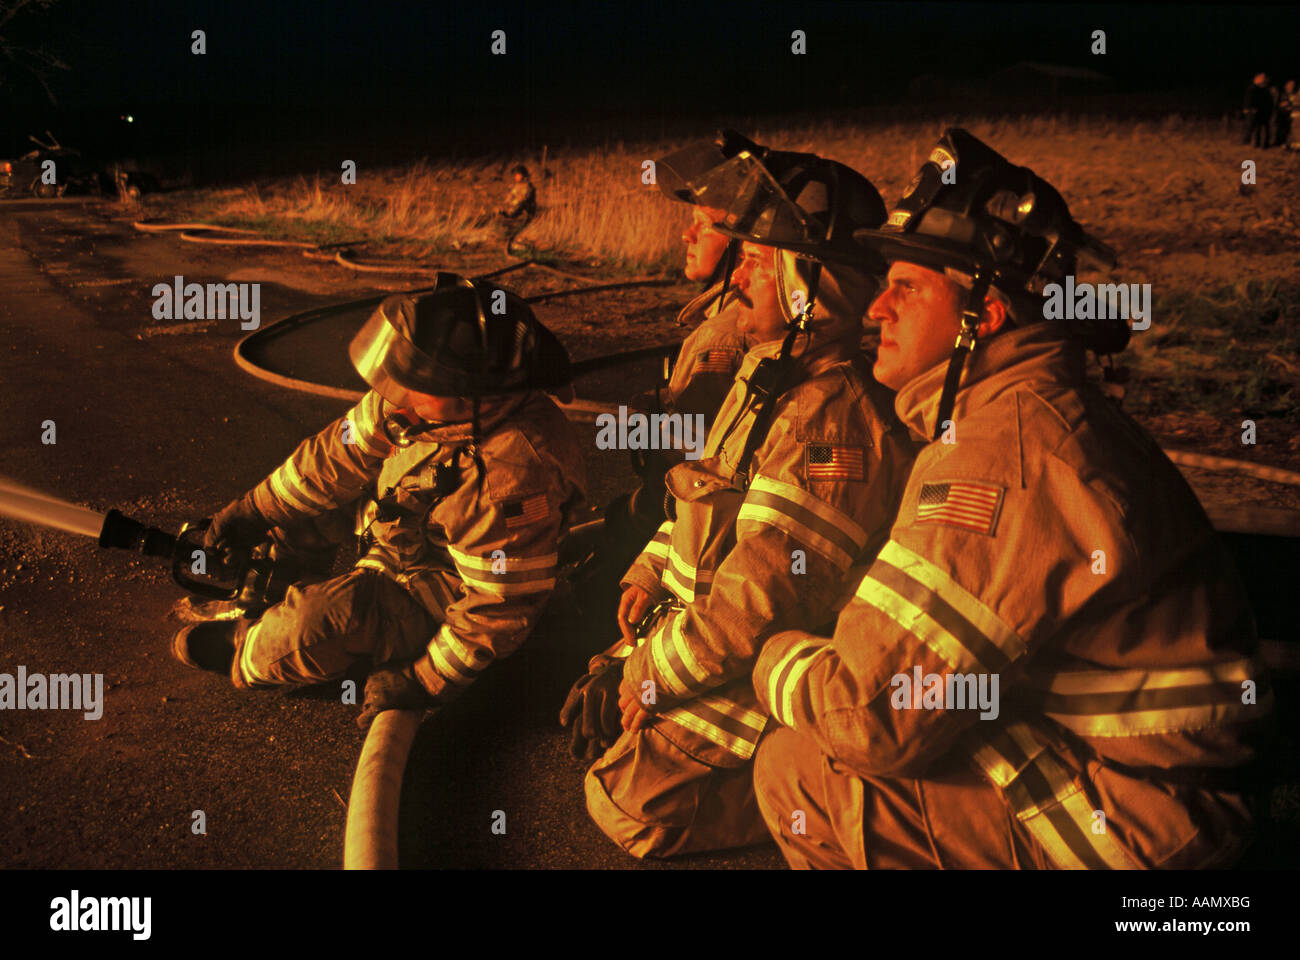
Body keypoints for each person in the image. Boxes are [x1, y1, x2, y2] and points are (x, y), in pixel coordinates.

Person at [749, 128, 1273, 869]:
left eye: (907, 287)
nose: (876, 310)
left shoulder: (1004, 449)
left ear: (983, 317)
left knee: (802, 765)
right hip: (1162, 782)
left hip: (1142, 820)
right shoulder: (1030, 409)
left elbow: (870, 717)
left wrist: (769, 658)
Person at [561, 148, 918, 858]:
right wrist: (647, 570)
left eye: (759, 259)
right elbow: (702, 492)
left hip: (773, 659)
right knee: (602, 716)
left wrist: (647, 672)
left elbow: (760, 599)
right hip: (722, 633)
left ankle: (806, 788)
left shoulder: (830, 422)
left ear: (811, 289)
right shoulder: (770, 377)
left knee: (629, 806)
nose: (739, 275)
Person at [171, 274, 587, 728]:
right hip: (403, 528)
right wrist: (255, 511)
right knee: (308, 503)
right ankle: (276, 587)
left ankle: (247, 646)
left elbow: (497, 608)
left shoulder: (514, 478)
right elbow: (337, 456)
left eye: (416, 381)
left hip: (441, 588)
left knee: (326, 621)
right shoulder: (429, 400)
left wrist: (424, 680)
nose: (394, 394)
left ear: (472, 393)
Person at [1243, 73, 1273, 148]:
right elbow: (1249, 100)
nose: (1264, 80)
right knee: (1254, 127)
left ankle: (1262, 144)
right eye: (1262, 78)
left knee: (1262, 128)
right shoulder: (1253, 88)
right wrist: (1248, 108)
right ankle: (1254, 142)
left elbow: (1267, 101)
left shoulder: (1264, 89)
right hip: (1255, 111)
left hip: (1262, 111)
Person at [1277, 80, 1297, 149]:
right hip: (1283, 115)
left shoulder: (1295, 94)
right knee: (1284, 130)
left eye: (1293, 85)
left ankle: (1291, 144)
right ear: (1286, 86)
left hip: (1293, 116)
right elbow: (1280, 104)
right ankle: (1283, 143)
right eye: (1290, 85)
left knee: (1293, 131)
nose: (1292, 87)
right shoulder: (1282, 94)